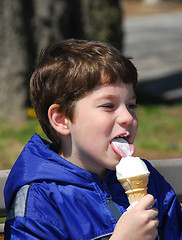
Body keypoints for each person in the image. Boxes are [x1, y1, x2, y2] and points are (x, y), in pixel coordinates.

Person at [4, 39, 182, 240]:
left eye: (131, 105)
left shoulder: (151, 182)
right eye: (108, 105)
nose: (127, 117)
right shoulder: (41, 199)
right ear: (62, 119)